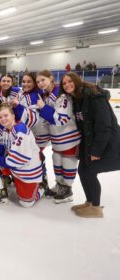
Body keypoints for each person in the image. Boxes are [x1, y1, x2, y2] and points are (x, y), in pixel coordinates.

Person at [60, 72, 120, 218]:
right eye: (64, 83)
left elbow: (104, 127)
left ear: (77, 81)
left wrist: (96, 151)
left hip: (110, 146)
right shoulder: (77, 100)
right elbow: (85, 129)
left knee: (90, 171)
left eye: (70, 81)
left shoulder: (95, 97)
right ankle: (89, 202)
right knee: (83, 169)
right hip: (93, 144)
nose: (67, 85)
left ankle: (96, 208)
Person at [0, 104, 44, 207]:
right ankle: (1, 193)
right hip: (12, 166)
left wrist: (1, 160)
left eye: (6, 115)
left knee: (26, 203)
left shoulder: (20, 130)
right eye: (0, 117)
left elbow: (17, 158)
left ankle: (42, 188)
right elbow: (3, 149)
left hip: (27, 170)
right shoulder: (6, 131)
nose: (3, 119)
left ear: (13, 116)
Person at [36, 70, 81, 202]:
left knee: (67, 162)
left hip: (69, 138)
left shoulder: (61, 95)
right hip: (57, 138)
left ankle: (67, 189)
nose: (40, 83)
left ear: (51, 78)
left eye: (42, 80)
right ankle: (60, 185)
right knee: (57, 160)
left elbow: (62, 119)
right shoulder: (46, 95)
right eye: (38, 81)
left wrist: (43, 108)